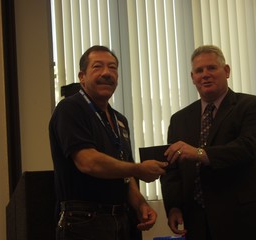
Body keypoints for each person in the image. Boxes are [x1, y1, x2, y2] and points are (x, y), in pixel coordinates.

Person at [160, 45, 256, 240]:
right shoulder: (179, 119)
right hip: (197, 223)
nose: (205, 74)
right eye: (199, 71)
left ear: (226, 71)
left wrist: (200, 153)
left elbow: (249, 147)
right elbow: (172, 168)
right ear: (192, 78)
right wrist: (173, 206)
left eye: (211, 68)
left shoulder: (253, 106)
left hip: (245, 220)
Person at [49, 45, 168, 240]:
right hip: (84, 222)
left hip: (121, 220)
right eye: (97, 67)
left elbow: (125, 173)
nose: (107, 73)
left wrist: (140, 205)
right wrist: (139, 169)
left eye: (112, 68)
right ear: (82, 76)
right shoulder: (70, 109)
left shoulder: (119, 120)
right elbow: (88, 162)